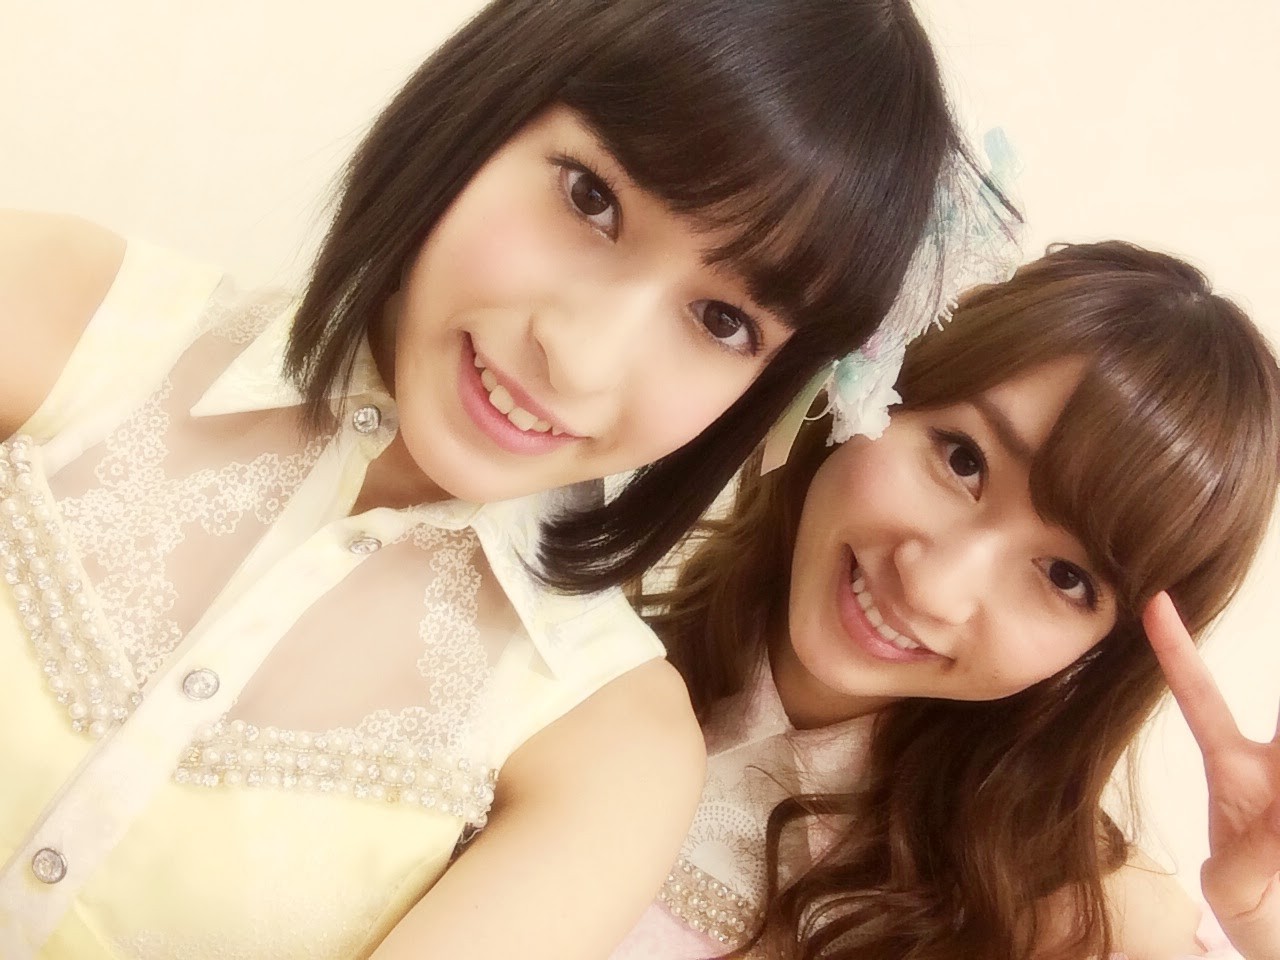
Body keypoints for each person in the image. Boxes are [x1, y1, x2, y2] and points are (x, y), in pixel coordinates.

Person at [0, 1, 1018, 957]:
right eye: (591, 199)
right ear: (484, 103)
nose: (580, 358)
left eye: (722, 322)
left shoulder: (610, 749)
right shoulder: (62, 311)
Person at [613, 241, 1280, 959]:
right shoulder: (586, 621)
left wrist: (1262, 928)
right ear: (880, 387)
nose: (934, 588)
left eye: (1065, 576)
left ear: (1107, 650)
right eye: (963, 460)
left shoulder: (1063, 915)